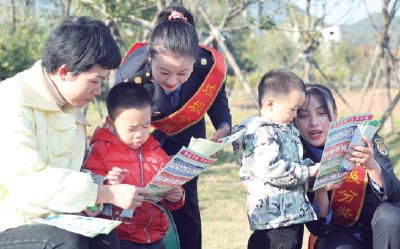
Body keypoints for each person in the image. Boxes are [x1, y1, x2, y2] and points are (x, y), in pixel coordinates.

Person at [0, 16, 150, 249]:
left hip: (52, 218)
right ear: (64, 71)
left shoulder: (71, 108)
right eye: (95, 81)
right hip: (8, 222)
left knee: (106, 238)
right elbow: (26, 180)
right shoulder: (11, 101)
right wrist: (102, 193)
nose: (98, 91)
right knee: (65, 242)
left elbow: (73, 172)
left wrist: (100, 188)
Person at [114, 6, 231, 249]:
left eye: (183, 73)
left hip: (188, 144)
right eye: (163, 72)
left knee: (185, 202)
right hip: (143, 141)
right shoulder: (129, 76)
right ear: (149, 57)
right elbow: (123, 122)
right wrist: (151, 156)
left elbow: (217, 98)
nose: (172, 81)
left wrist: (223, 126)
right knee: (144, 203)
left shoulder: (208, 65)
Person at [295, 84, 400, 249]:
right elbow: (317, 226)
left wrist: (372, 166)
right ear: (294, 119)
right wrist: (321, 190)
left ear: (335, 113)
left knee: (391, 216)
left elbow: (395, 194)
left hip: (378, 227)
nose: (313, 122)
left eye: (322, 113)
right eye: (303, 115)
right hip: (335, 234)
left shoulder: (364, 139)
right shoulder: (296, 155)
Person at [83, 83, 185, 249]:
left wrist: (177, 195)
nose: (140, 134)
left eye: (146, 126)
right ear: (111, 123)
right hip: (119, 236)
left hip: (155, 236)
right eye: (131, 129)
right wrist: (109, 184)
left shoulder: (154, 149)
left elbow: (169, 182)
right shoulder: (101, 148)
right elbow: (88, 183)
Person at [231, 69, 320, 249]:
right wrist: (307, 172)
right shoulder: (261, 133)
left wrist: (314, 167)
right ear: (271, 104)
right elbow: (271, 169)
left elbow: (293, 161)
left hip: (290, 215)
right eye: (293, 109)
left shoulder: (282, 129)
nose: (295, 115)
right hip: (275, 220)